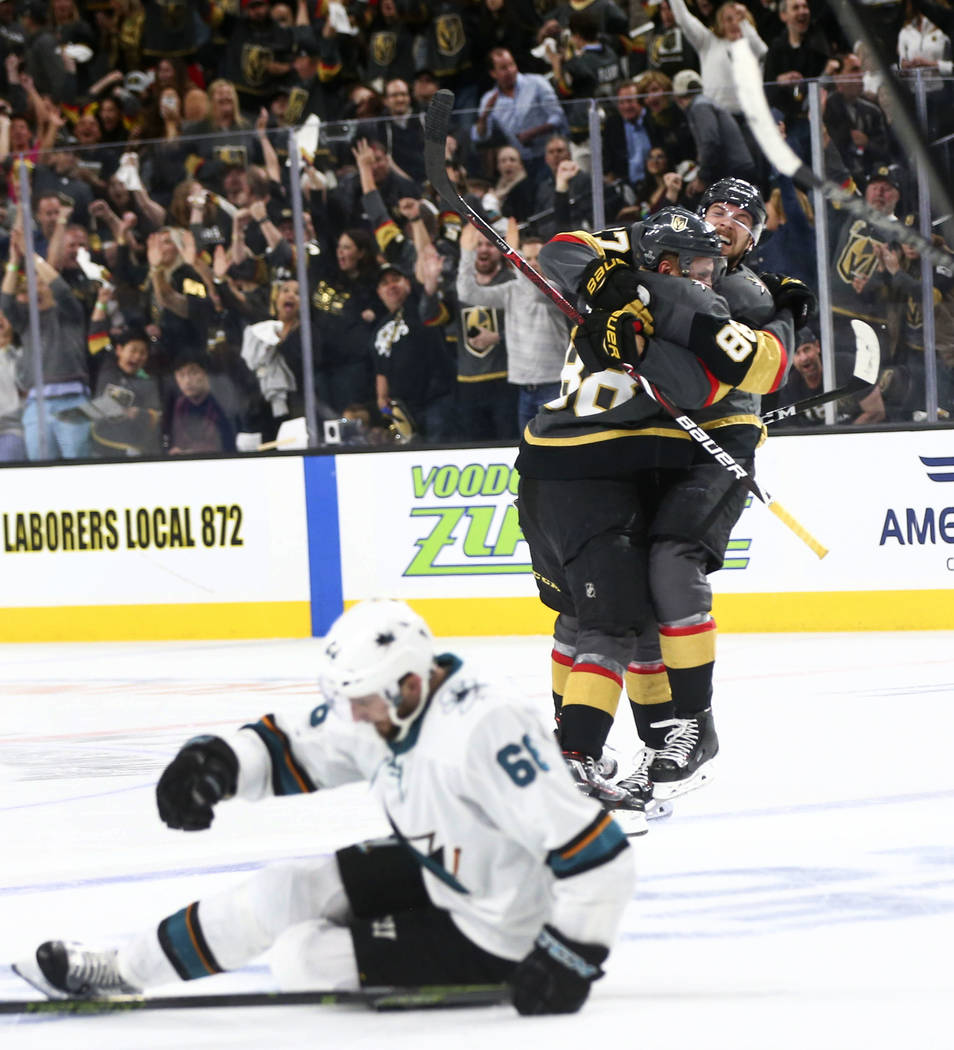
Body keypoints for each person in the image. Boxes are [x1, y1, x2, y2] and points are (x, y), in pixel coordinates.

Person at [13, 599, 635, 1016]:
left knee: (303, 960)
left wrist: (568, 956)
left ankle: (486, 962)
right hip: (447, 869)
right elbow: (301, 745)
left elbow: (599, 856)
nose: (353, 715)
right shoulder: (384, 705)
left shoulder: (488, 729)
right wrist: (218, 765)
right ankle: (121, 970)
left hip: (504, 927)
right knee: (281, 891)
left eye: (362, 701)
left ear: (410, 683)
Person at [514, 204, 801, 818]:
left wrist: (616, 298)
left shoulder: (654, 276)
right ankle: (607, 749)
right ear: (670, 258)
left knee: (600, 611)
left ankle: (626, 743)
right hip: (612, 461)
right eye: (717, 211)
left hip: (554, 456)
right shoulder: (689, 284)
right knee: (616, 618)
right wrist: (779, 318)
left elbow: (562, 252)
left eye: (741, 218)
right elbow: (716, 379)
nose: (711, 262)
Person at [455, 224, 570, 433]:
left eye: (537, 258)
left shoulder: (556, 287)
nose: (532, 263)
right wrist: (467, 255)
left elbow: (534, 291)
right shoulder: (512, 290)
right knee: (528, 448)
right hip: (523, 389)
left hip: (554, 385)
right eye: (528, 258)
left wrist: (514, 254)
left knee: (558, 445)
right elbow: (467, 294)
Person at [471, 48, 568, 180]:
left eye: (512, 64)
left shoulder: (537, 83)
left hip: (548, 156)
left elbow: (558, 116)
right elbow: (480, 136)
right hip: (520, 163)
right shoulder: (488, 99)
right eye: (503, 68)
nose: (510, 70)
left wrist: (534, 132)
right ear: (493, 73)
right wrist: (484, 116)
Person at [671, 68, 758, 198]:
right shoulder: (704, 102)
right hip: (735, 169)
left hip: (733, 171)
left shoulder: (699, 106)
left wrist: (702, 177)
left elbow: (710, 142)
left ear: (677, 97)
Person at [774, 325, 885, 426]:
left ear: (817, 346)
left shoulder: (846, 365)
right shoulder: (790, 386)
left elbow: (876, 412)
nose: (803, 358)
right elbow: (789, 428)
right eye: (796, 353)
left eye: (807, 349)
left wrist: (842, 437)